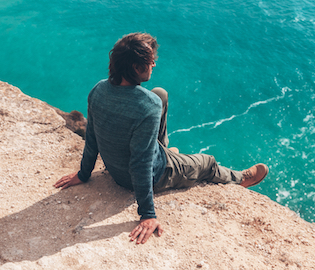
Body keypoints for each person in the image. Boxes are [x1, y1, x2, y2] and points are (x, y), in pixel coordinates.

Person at [55, 32, 268, 244]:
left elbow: (91, 136)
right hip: (145, 175)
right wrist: (147, 214)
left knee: (160, 94)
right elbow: (141, 163)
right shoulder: (146, 106)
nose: (154, 65)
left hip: (116, 164)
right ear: (136, 68)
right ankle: (240, 179)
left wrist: (84, 174)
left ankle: (162, 148)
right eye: (151, 62)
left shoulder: (98, 90)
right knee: (208, 162)